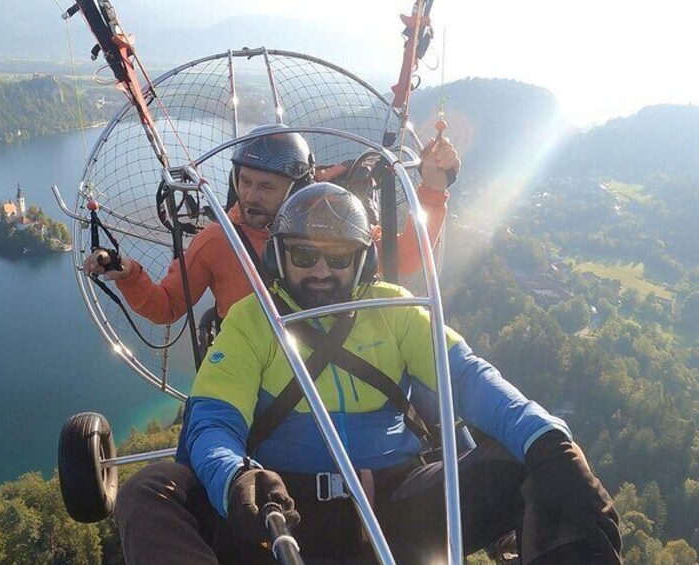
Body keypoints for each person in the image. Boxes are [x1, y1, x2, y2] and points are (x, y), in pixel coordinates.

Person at [113, 183, 622, 564]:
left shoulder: (397, 310)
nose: (319, 271)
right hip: (278, 511)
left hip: (398, 504)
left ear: (363, 260)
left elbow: (465, 377)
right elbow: (211, 424)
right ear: (279, 256)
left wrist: (546, 437)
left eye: (337, 258)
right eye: (304, 255)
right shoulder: (252, 320)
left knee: (537, 465)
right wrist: (234, 478)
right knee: (153, 488)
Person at [83, 126, 459, 326]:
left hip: (327, 368)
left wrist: (433, 191)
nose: (250, 196)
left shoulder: (335, 225)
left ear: (296, 188)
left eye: (266, 186)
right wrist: (126, 271)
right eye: (245, 182)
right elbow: (167, 306)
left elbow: (406, 258)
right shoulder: (218, 240)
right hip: (251, 375)